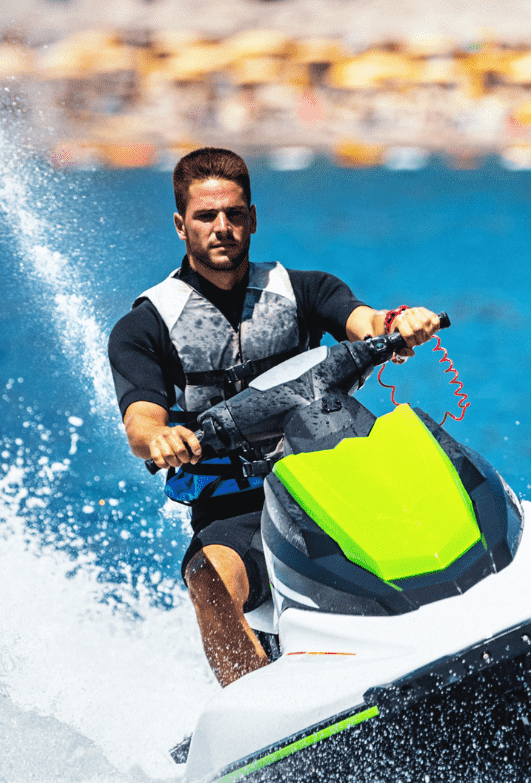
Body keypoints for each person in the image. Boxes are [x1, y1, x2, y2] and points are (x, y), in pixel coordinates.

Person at [109, 146, 440, 686]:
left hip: (331, 474)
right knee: (209, 580)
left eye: (234, 214)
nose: (222, 228)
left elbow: (364, 320)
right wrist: (161, 437)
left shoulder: (304, 290)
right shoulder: (145, 328)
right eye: (206, 216)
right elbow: (140, 421)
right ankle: (261, 713)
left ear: (253, 218)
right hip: (238, 509)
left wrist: (399, 323)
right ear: (180, 224)